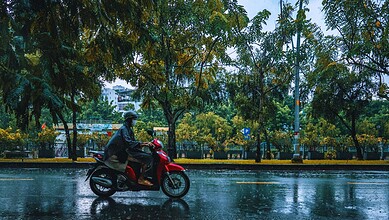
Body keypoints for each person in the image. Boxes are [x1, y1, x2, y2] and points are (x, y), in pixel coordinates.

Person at [104, 110, 153, 186]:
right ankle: (141, 179)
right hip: (116, 153)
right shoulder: (124, 129)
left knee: (144, 155)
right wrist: (143, 144)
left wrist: (144, 143)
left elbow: (133, 142)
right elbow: (129, 142)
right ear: (129, 120)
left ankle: (138, 176)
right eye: (134, 119)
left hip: (122, 151)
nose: (135, 121)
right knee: (146, 159)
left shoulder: (128, 129)